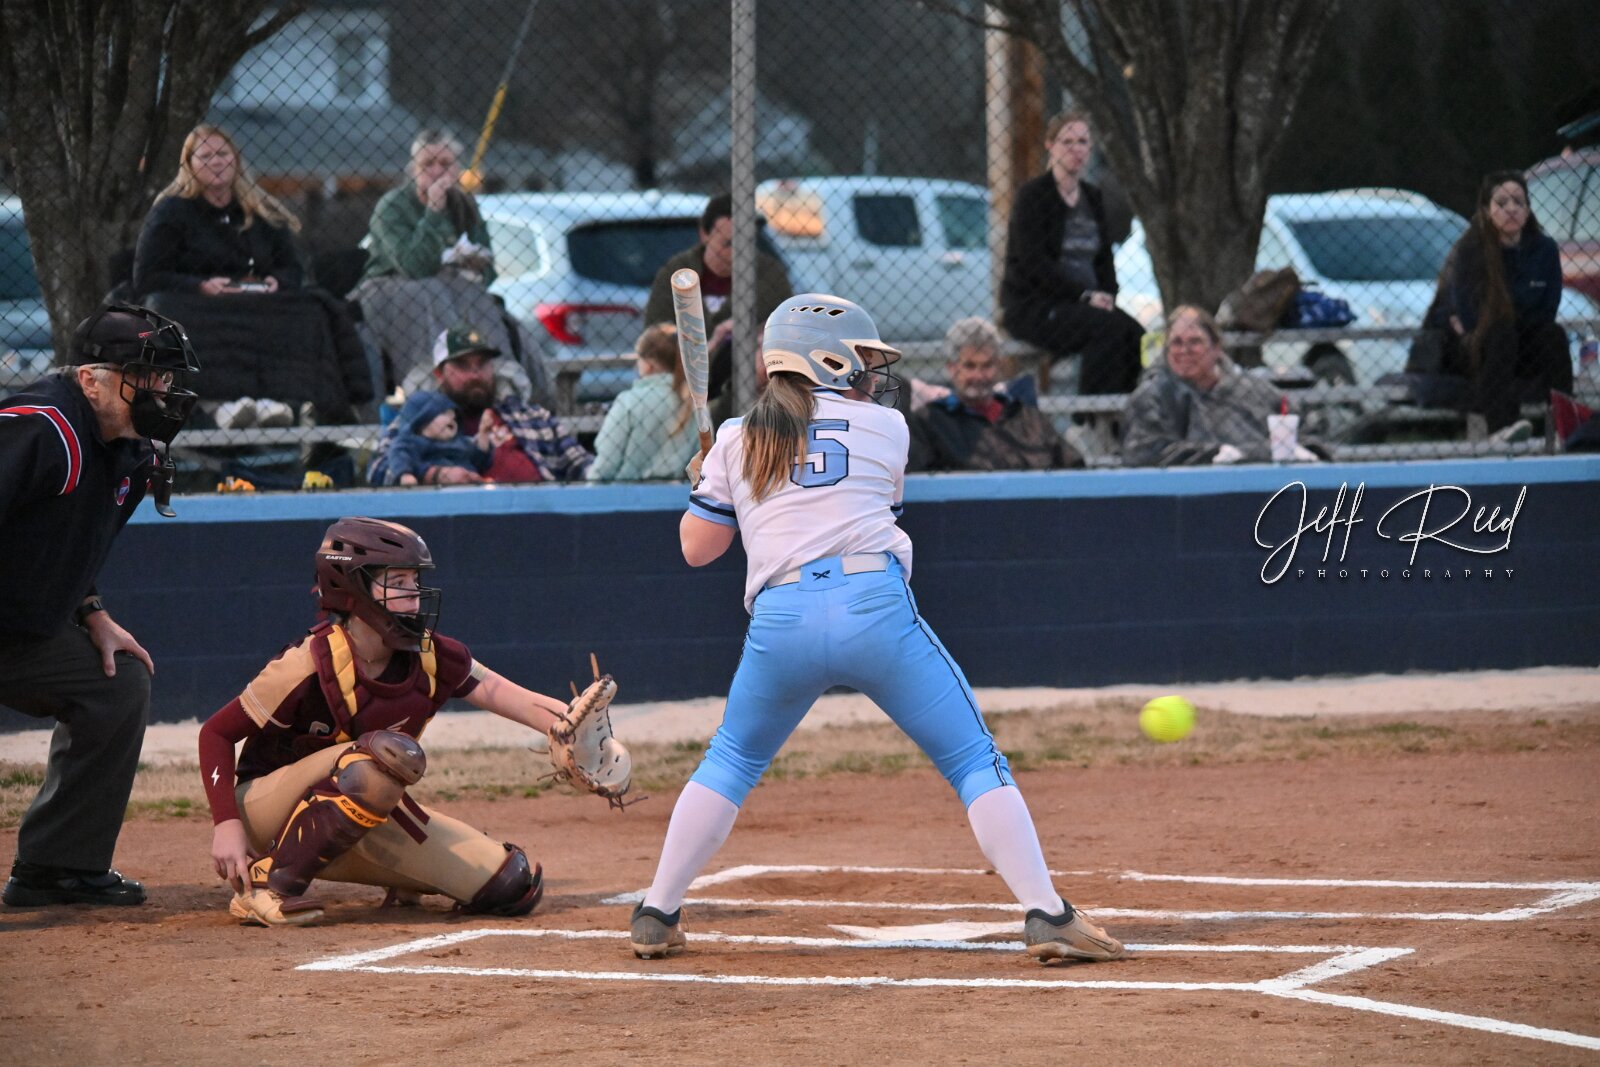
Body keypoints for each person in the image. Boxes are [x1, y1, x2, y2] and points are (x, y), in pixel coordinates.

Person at [626, 293, 1125, 966]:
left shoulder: (738, 439)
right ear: (825, 360)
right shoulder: (887, 426)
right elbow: (864, 500)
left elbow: (698, 548)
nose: (870, 372)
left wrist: (710, 484)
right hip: (873, 607)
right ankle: (1046, 911)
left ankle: (657, 910)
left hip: (782, 618)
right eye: (860, 360)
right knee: (973, 760)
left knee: (732, 761)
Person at [197, 517, 589, 925]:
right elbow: (216, 734)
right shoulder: (307, 663)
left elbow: (510, 696)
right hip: (265, 811)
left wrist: (573, 729)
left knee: (509, 884)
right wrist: (226, 824)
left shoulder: (431, 655)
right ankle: (268, 885)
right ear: (352, 587)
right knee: (375, 762)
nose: (414, 595)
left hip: (359, 803)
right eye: (398, 582)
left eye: (415, 581)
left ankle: (397, 875)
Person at [1, 304, 201, 908]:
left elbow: (66, 543)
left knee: (116, 685)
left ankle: (58, 867)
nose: (160, 392)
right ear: (91, 379)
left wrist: (93, 612)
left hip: (19, 632)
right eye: (144, 376)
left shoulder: (131, 449)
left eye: (165, 378)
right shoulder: (42, 429)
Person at [132, 125, 371, 430]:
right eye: (205, 156)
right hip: (197, 302)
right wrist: (201, 286)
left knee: (311, 307)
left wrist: (276, 282)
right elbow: (148, 276)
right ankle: (216, 406)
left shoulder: (260, 209)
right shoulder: (170, 211)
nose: (216, 162)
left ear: (236, 159)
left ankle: (286, 403)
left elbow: (291, 267)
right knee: (165, 308)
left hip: (254, 300)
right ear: (189, 165)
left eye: (222, 154)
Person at [357, 129, 544, 397]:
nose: (436, 171)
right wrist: (434, 210)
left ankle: (501, 381)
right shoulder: (392, 206)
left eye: (445, 164)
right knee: (428, 291)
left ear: (457, 170)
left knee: (476, 295)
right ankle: (434, 384)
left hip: (451, 289)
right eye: (427, 164)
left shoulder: (464, 205)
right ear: (413, 170)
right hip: (390, 289)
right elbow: (413, 266)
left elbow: (489, 274)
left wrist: (475, 266)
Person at [999, 110, 1144, 395]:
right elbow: (1033, 263)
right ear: (1050, 146)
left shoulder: (1092, 197)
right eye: (1067, 142)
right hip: (1037, 306)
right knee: (1107, 330)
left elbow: (1104, 261)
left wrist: (1107, 295)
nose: (1075, 149)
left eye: (1082, 142)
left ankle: (1118, 412)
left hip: (1087, 306)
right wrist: (1084, 296)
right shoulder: (1033, 196)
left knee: (1136, 335)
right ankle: (1089, 414)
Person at [1436, 170, 1571, 438]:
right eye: (1501, 203)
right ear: (1487, 211)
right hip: (1480, 347)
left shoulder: (1544, 249)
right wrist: (1517, 309)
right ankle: (1502, 428)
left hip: (1526, 342)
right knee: (1501, 334)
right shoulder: (1470, 250)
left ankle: (1564, 425)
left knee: (1554, 336)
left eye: (1518, 202)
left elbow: (1547, 310)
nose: (1511, 209)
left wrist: (1514, 311)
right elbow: (1470, 316)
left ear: (1528, 210)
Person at [367, 326, 589, 486]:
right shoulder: (418, 419)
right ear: (439, 374)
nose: (475, 375)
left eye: (482, 364)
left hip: (540, 511)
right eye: (462, 366)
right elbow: (378, 469)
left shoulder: (529, 415)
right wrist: (434, 475)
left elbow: (579, 461)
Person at [644, 193, 793, 408]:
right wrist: (711, 343)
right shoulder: (676, 274)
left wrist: (754, 333)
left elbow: (787, 331)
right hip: (685, 385)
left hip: (752, 387)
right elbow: (656, 336)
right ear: (704, 235)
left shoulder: (770, 275)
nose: (738, 253)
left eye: (746, 243)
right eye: (728, 244)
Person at [1123, 305, 1320, 466]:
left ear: (1216, 347)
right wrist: (1220, 454)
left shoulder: (1254, 390)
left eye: (1195, 342)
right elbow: (1143, 453)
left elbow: (1308, 433)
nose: (1184, 350)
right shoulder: (1153, 397)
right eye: (1176, 342)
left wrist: (1298, 450)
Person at [909, 317, 1083, 472]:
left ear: (998, 365)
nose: (979, 376)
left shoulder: (1025, 415)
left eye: (987, 365)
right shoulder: (932, 422)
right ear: (952, 368)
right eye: (970, 366)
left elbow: (1074, 465)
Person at [588, 324, 701, 482]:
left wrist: (591, 486)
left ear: (648, 364)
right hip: (680, 492)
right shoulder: (694, 405)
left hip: (626, 492)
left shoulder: (629, 401)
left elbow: (607, 461)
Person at [378, 391, 491, 487]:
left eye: (454, 416)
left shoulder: (461, 443)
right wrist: (405, 474)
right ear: (422, 421)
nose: (452, 418)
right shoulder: (413, 442)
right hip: (433, 490)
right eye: (445, 414)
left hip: (470, 487)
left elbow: (478, 461)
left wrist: (483, 436)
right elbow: (400, 456)